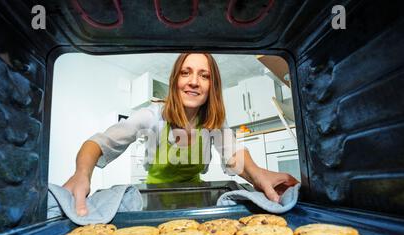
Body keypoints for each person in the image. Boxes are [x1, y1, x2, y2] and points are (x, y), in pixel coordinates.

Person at [63, 53, 299, 216]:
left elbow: (234, 154)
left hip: (197, 194)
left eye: (204, 75)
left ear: (212, 86)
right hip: (152, 196)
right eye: (186, 73)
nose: (194, 82)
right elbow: (98, 143)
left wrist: (258, 175)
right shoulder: (152, 116)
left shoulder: (213, 121)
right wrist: (82, 174)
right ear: (175, 80)